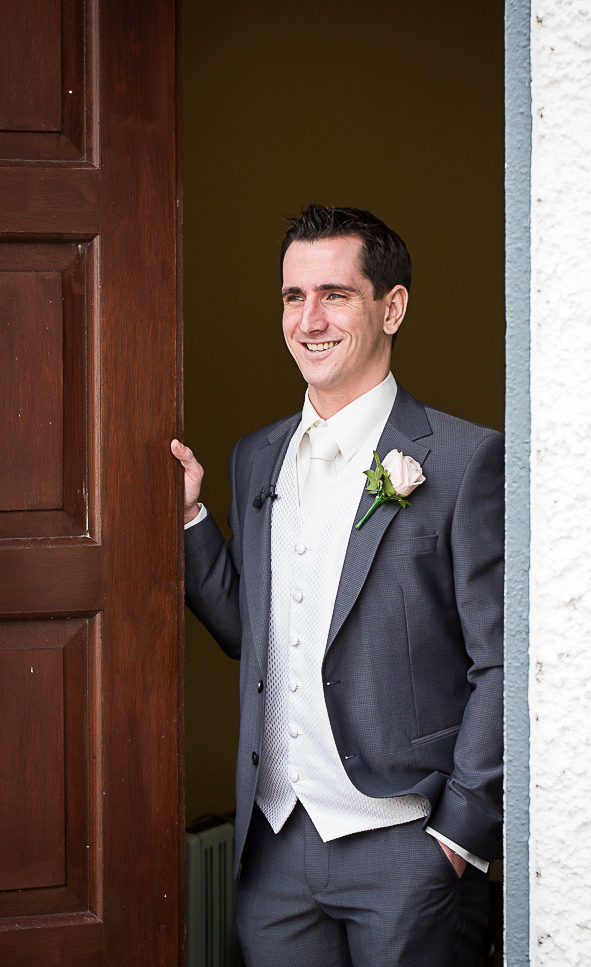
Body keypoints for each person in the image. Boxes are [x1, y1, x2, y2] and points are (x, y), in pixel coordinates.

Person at [172, 204, 503, 966]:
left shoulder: (462, 459)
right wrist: (189, 516)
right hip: (277, 852)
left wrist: (457, 836)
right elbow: (245, 631)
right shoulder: (255, 456)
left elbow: (500, 664)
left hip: (407, 843)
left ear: (392, 307)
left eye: (335, 294)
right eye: (293, 297)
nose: (309, 320)